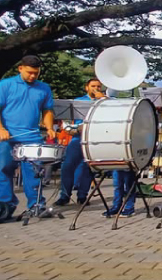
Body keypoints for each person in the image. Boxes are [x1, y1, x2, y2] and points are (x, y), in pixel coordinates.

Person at [0, 55, 56, 220]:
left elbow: (47, 110)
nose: (32, 76)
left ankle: (37, 205)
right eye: (30, 72)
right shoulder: (5, 85)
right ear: (20, 68)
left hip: (31, 136)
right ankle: (5, 205)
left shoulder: (44, 88)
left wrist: (49, 127)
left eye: (36, 73)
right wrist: (1, 129)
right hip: (7, 137)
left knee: (34, 171)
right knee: (3, 170)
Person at [54, 78, 104, 207]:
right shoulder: (78, 101)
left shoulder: (104, 101)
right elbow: (70, 121)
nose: (96, 89)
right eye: (93, 86)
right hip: (78, 137)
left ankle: (82, 196)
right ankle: (64, 196)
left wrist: (103, 99)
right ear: (86, 87)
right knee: (67, 166)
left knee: (88, 168)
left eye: (98, 86)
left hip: (94, 139)